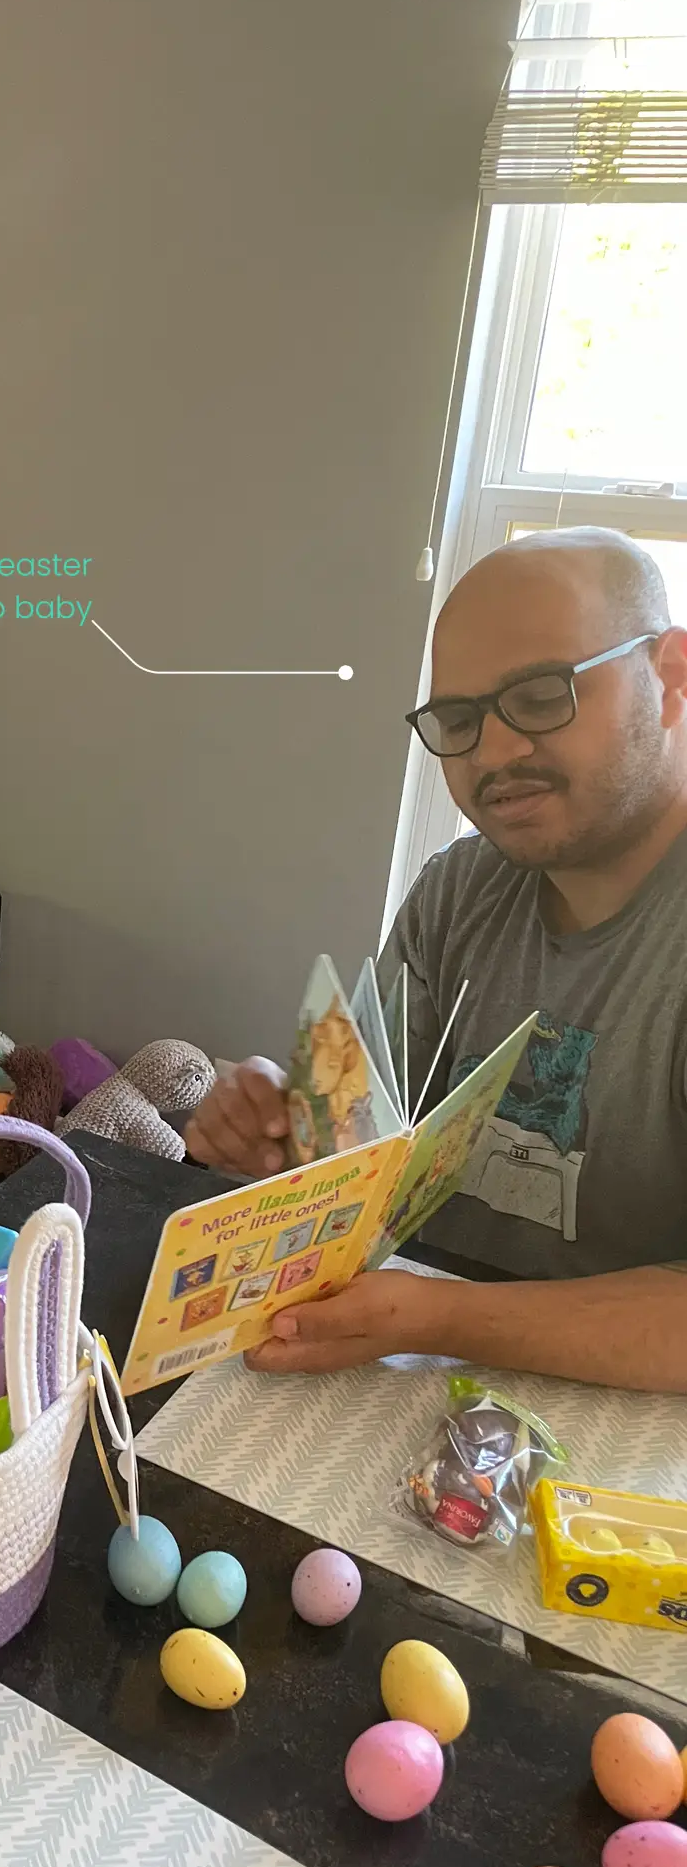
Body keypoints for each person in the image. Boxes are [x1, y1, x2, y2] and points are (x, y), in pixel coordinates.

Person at [186, 528, 687, 1394]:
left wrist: (435, 1318)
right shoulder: (458, 889)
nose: (492, 755)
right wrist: (273, 1133)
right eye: (458, 720)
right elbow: (350, 1152)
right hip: (401, 1375)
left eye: (540, 695)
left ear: (671, 677)